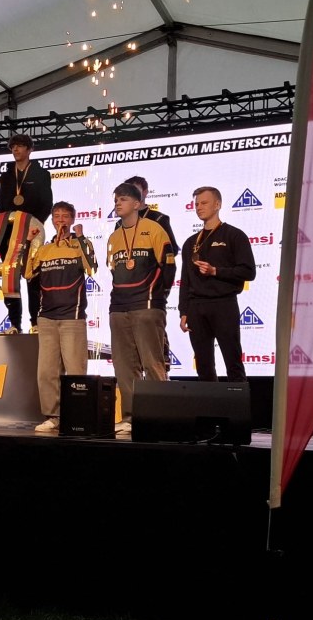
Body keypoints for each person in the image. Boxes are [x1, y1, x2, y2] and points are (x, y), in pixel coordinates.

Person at [107, 181, 176, 435]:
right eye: (116, 199)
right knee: (124, 366)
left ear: (137, 204)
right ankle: (130, 416)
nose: (118, 203)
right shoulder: (114, 236)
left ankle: (161, 417)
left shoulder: (154, 229)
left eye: (123, 199)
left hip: (147, 306)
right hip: (119, 307)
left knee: (152, 363)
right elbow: (114, 271)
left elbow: (169, 266)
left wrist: (158, 297)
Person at [24, 202, 98, 432]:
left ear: (72, 219)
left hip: (72, 317)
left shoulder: (79, 245)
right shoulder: (44, 249)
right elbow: (27, 273)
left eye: (65, 216)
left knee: (75, 371)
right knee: (47, 372)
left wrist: (81, 237)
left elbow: (92, 267)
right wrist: (28, 243)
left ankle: (77, 416)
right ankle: (53, 416)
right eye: (57, 216)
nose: (61, 220)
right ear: (52, 220)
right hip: (46, 317)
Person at [179, 186, 256, 381]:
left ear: (217, 205)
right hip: (196, 307)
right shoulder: (190, 243)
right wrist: (183, 311)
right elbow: (185, 280)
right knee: (203, 365)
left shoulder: (234, 235)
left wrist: (215, 271)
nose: (199, 207)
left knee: (233, 362)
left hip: (224, 304)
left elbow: (249, 272)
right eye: (196, 204)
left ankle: (238, 401)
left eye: (204, 203)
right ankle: (209, 401)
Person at [117, 176, 179, 370]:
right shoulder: (119, 224)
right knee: (129, 355)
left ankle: (160, 379)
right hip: (127, 296)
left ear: (144, 193)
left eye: (134, 190)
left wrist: (162, 290)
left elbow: (170, 254)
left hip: (150, 292)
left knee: (154, 353)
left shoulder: (158, 219)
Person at [0, 134, 52, 333]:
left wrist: (35, 225)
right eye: (13, 147)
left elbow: (47, 204)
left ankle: (35, 322)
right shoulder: (5, 176)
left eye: (20, 146)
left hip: (32, 231)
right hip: (9, 232)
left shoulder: (41, 174)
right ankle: (14, 323)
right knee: (10, 277)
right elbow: (2, 206)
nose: (16, 150)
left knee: (33, 277)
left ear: (29, 150)